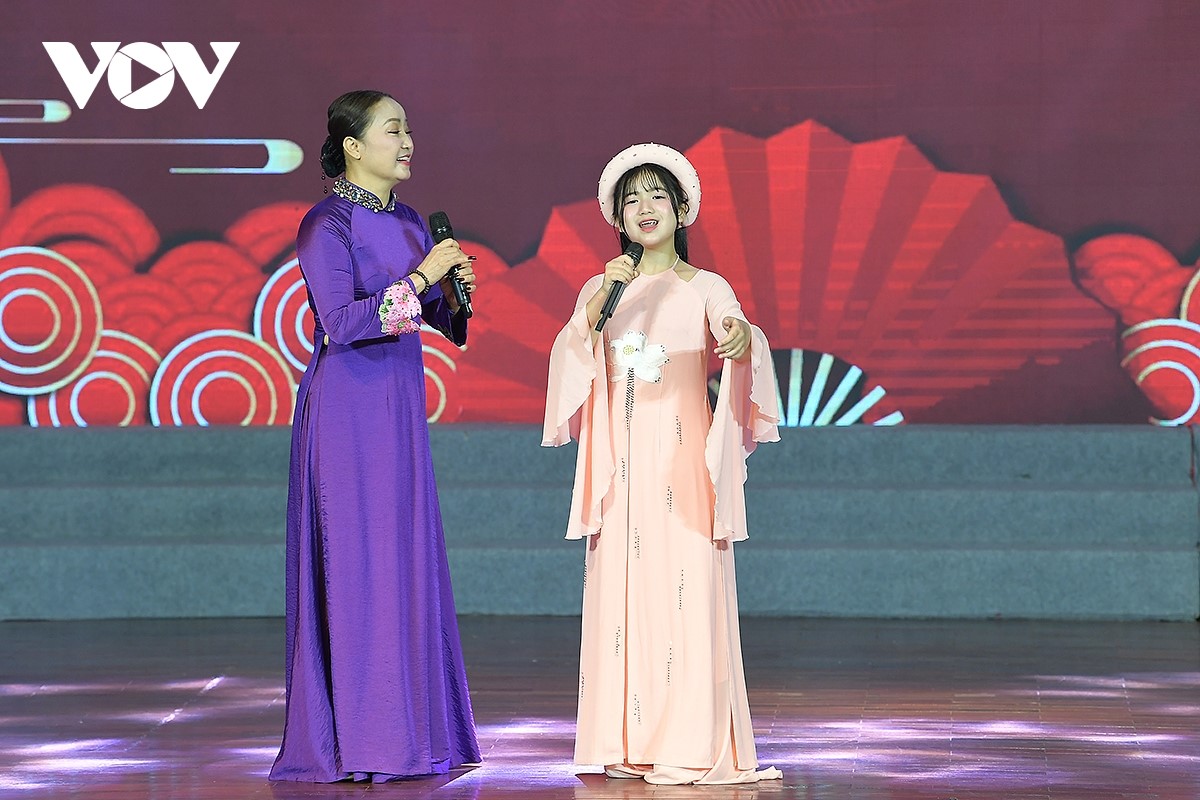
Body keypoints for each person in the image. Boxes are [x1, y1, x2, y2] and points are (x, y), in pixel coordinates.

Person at [542, 143, 783, 785]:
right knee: (624, 596)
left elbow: (739, 332)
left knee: (686, 591)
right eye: (632, 200)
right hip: (620, 470)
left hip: (682, 465)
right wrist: (604, 296)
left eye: (656, 196)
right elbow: (570, 353)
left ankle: (690, 742)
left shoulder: (705, 286)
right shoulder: (603, 288)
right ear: (617, 217)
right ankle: (628, 741)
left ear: (681, 209)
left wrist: (740, 339)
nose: (644, 208)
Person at [269, 90, 480, 783]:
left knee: (402, 561)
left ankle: (413, 734)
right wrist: (422, 277)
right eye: (393, 130)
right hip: (348, 410)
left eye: (408, 129)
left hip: (398, 406)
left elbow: (435, 319)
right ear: (353, 146)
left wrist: (453, 296)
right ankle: (363, 742)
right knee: (360, 566)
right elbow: (341, 323)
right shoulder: (325, 224)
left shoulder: (414, 221)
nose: (407, 140)